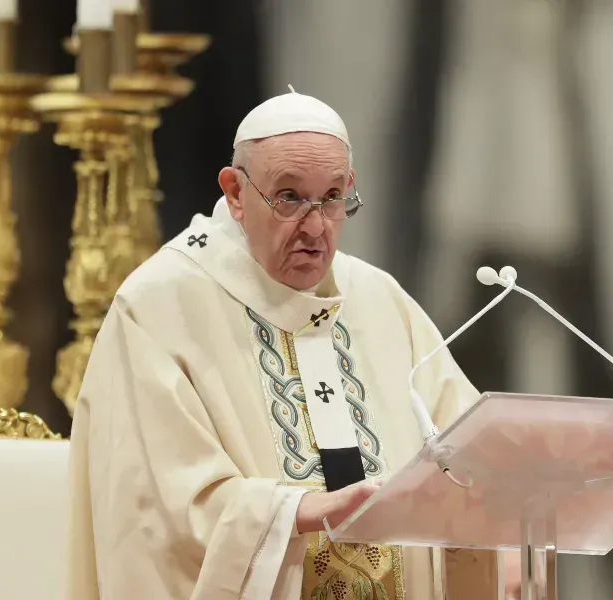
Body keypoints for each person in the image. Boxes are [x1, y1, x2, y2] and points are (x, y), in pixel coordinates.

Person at [66, 90, 502, 599]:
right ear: (234, 192)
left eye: (333, 198)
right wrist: (292, 512)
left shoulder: (380, 298)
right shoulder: (159, 306)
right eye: (290, 198)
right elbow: (152, 505)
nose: (315, 227)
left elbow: (472, 446)